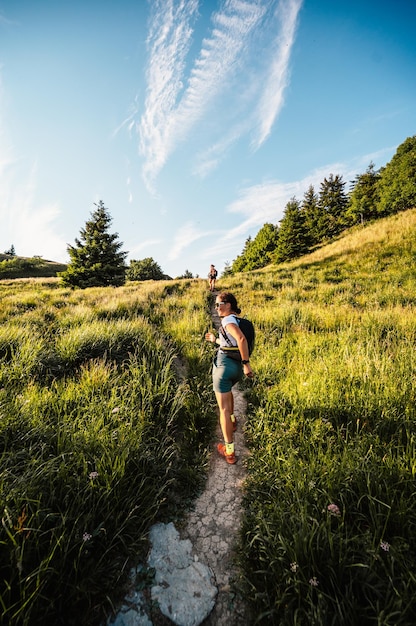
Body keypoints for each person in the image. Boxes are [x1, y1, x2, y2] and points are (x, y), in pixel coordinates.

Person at [205, 292, 254, 464]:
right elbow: (230, 343)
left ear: (229, 305)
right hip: (235, 369)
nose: (216, 308)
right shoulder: (237, 320)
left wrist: (247, 363)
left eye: (219, 304)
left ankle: (229, 451)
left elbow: (240, 339)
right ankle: (233, 421)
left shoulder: (227, 320)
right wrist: (214, 340)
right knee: (229, 393)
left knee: (223, 410)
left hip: (224, 368)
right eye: (216, 305)